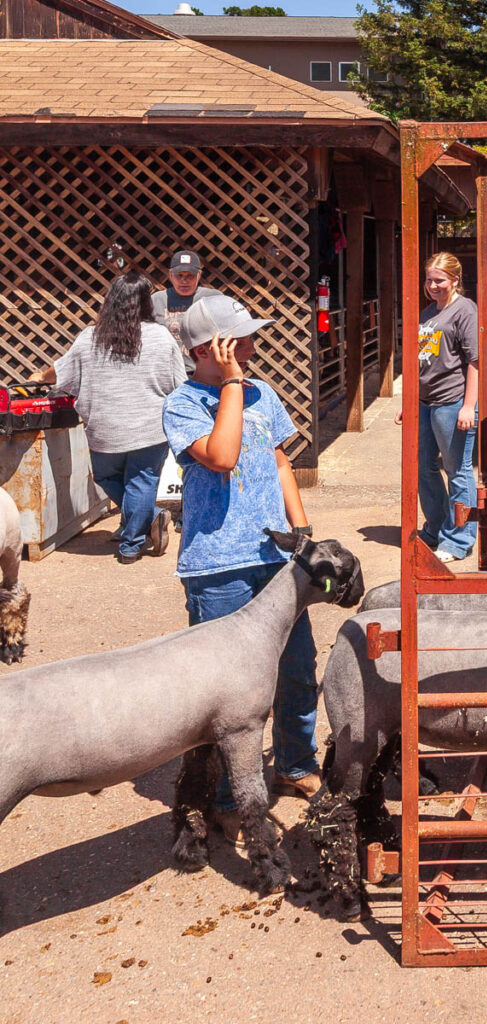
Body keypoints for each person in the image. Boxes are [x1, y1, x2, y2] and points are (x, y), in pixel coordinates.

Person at [162, 294, 319, 837]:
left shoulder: (263, 392)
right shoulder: (183, 403)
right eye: (241, 336)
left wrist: (301, 529)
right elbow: (222, 456)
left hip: (275, 557)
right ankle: (227, 795)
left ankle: (295, 763)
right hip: (217, 565)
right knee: (226, 691)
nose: (253, 342)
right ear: (208, 349)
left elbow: (279, 460)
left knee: (296, 668)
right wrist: (230, 384)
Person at [31, 272, 183, 564]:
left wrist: (40, 376)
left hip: (104, 429)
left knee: (107, 477)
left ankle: (132, 542)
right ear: (146, 302)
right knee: (141, 482)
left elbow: (61, 372)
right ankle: (145, 523)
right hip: (150, 429)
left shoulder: (90, 337)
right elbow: (178, 382)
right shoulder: (161, 336)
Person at [395, 252, 478, 563]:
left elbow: (475, 361)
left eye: (439, 280)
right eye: (429, 280)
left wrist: (469, 406)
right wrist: (409, 401)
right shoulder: (429, 312)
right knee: (423, 466)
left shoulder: (465, 310)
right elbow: (421, 360)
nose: (432, 286)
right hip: (425, 402)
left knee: (458, 471)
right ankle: (437, 526)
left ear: (455, 279)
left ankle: (460, 538)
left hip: (451, 401)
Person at [151, 250, 223, 370]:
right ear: (170, 275)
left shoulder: (213, 298)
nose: (184, 281)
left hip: (204, 373)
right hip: (167, 372)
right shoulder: (156, 300)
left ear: (199, 275)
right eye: (179, 275)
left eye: (190, 276)